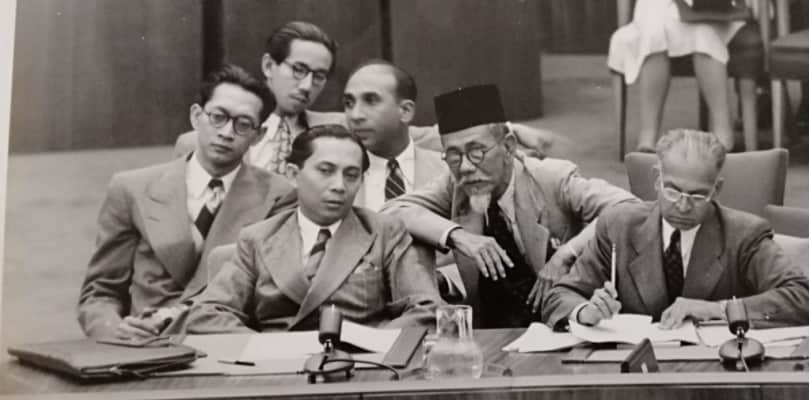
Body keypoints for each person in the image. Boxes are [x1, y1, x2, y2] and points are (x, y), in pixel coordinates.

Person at [381, 84, 636, 328]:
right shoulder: (455, 184)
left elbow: (627, 206)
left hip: (566, 322)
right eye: (453, 155)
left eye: (477, 152)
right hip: (493, 332)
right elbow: (392, 211)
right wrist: (458, 236)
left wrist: (566, 254)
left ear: (508, 147)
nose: (466, 167)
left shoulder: (551, 178)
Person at [77, 65, 294, 339]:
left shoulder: (278, 195)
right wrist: (116, 330)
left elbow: (267, 295)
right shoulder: (131, 188)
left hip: (223, 343)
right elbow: (100, 292)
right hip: (143, 344)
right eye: (218, 117)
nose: (227, 132)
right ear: (196, 116)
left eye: (243, 124)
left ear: (258, 135)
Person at [174, 21, 556, 170]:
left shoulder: (334, 127)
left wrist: (506, 127)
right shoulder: (201, 140)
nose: (307, 86)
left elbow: (421, 133)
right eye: (298, 70)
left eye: (319, 76)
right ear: (269, 66)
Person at [543, 129, 809, 330]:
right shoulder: (618, 226)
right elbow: (558, 296)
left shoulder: (744, 234)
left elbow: (801, 296)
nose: (682, 206)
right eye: (673, 191)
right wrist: (586, 312)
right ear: (657, 180)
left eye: (697, 195)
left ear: (716, 189)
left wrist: (717, 310)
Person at [185, 125, 442, 333]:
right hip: (277, 367)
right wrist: (263, 350)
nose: (339, 185)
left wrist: (370, 344)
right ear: (293, 175)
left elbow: (427, 309)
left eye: (351, 175)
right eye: (326, 171)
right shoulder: (258, 238)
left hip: (359, 365)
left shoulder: (385, 232)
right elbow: (207, 314)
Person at [609, 0, 758, 151]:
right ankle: (648, 134)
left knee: (703, 34)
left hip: (710, 11)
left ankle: (723, 130)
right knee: (654, 31)